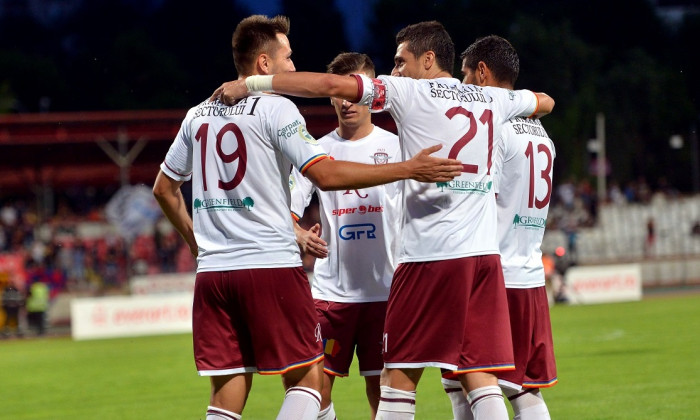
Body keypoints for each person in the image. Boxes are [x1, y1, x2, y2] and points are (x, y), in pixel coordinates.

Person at [212, 20, 554, 420]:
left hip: (428, 256)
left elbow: (329, 86)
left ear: (428, 60)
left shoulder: (408, 90)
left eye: (400, 60)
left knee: (397, 380)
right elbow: (544, 100)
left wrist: (254, 84)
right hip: (483, 260)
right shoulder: (489, 99)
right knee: (480, 374)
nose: (395, 70)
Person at [154, 15, 462, 420]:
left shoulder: (197, 115)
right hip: (270, 266)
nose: (294, 67)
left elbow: (163, 188)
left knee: (227, 387)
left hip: (213, 273)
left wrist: (197, 244)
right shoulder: (278, 109)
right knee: (310, 381)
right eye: (288, 57)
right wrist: (409, 168)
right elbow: (326, 175)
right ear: (264, 65)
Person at [289, 52, 400, 420]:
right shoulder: (315, 150)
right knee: (313, 386)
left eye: (355, 91)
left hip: (385, 292)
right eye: (339, 92)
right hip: (330, 294)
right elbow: (287, 210)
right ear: (331, 95)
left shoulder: (398, 147)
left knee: (381, 390)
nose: (347, 101)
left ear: (371, 94)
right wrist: (299, 233)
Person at [453, 34, 558, 420]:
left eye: (464, 76)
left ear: (482, 73)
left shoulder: (493, 125)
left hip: (494, 277)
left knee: (468, 382)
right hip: (529, 275)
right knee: (523, 389)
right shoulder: (541, 133)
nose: (461, 86)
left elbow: (478, 193)